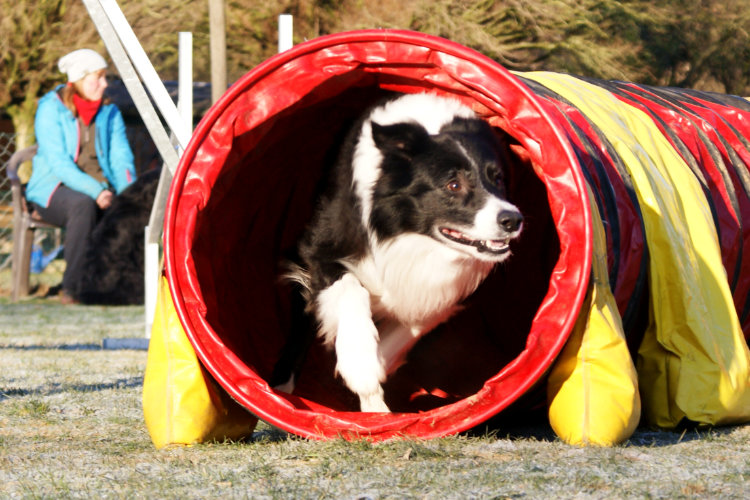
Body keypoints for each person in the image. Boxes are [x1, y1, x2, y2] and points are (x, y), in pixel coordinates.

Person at [26, 48, 137, 304]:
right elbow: (59, 163)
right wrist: (96, 192)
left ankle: (118, 286)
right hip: (53, 190)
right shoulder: (50, 109)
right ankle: (73, 288)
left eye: (104, 77)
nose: (104, 84)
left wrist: (126, 194)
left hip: (101, 189)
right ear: (78, 79)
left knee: (130, 209)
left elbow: (121, 159)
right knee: (82, 204)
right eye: (96, 77)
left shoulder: (110, 113)